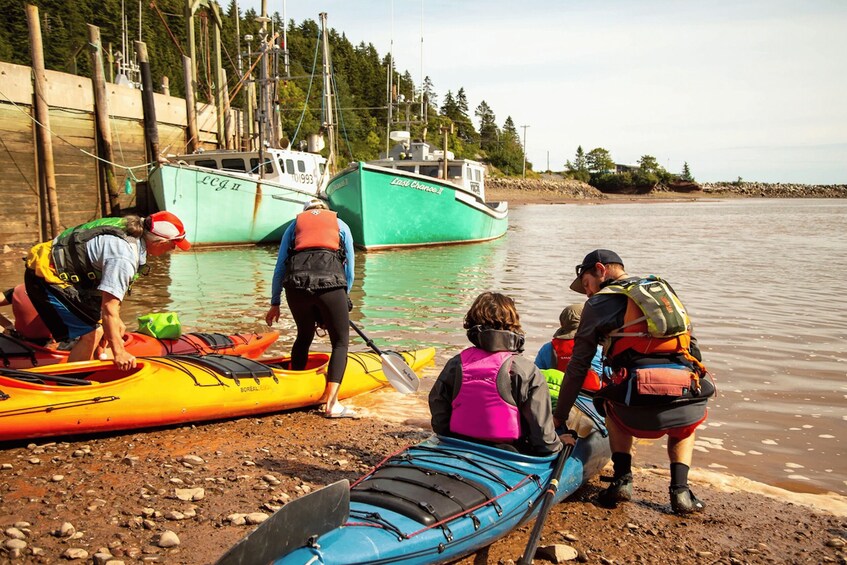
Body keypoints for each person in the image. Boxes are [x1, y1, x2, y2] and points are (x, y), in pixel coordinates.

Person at [552, 249, 715, 515]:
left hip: (633, 409)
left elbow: (579, 365)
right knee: (684, 426)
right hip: (686, 403)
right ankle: (681, 491)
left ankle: (622, 481)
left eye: (586, 284)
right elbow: (692, 345)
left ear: (601, 270)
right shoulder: (663, 290)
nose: (587, 293)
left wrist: (560, 416)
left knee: (607, 398)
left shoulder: (598, 303)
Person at [23, 212, 191, 369]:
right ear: (159, 242)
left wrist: (114, 325)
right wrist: (119, 352)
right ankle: (71, 384)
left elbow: (111, 302)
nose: (173, 249)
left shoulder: (135, 230)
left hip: (67, 273)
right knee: (93, 332)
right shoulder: (124, 257)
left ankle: (97, 363)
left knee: (115, 327)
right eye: (173, 244)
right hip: (45, 275)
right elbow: (108, 308)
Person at [429, 291, 563, 456]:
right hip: (509, 453)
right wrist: (558, 445)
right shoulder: (526, 371)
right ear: (513, 324)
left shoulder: (455, 364)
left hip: (457, 443)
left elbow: (438, 409)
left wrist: (447, 437)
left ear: (471, 324)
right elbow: (542, 435)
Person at [265, 199, 356, 419]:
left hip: (295, 286)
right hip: (332, 284)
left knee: (304, 336)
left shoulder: (293, 226)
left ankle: (296, 391)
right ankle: (332, 405)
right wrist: (343, 297)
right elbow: (350, 268)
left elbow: (280, 267)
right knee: (341, 341)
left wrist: (274, 302)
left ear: (305, 212)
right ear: (326, 211)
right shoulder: (341, 225)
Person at [534, 302, 603, 392]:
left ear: (562, 322)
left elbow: (536, 375)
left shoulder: (548, 348)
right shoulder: (596, 348)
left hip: (558, 394)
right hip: (588, 397)